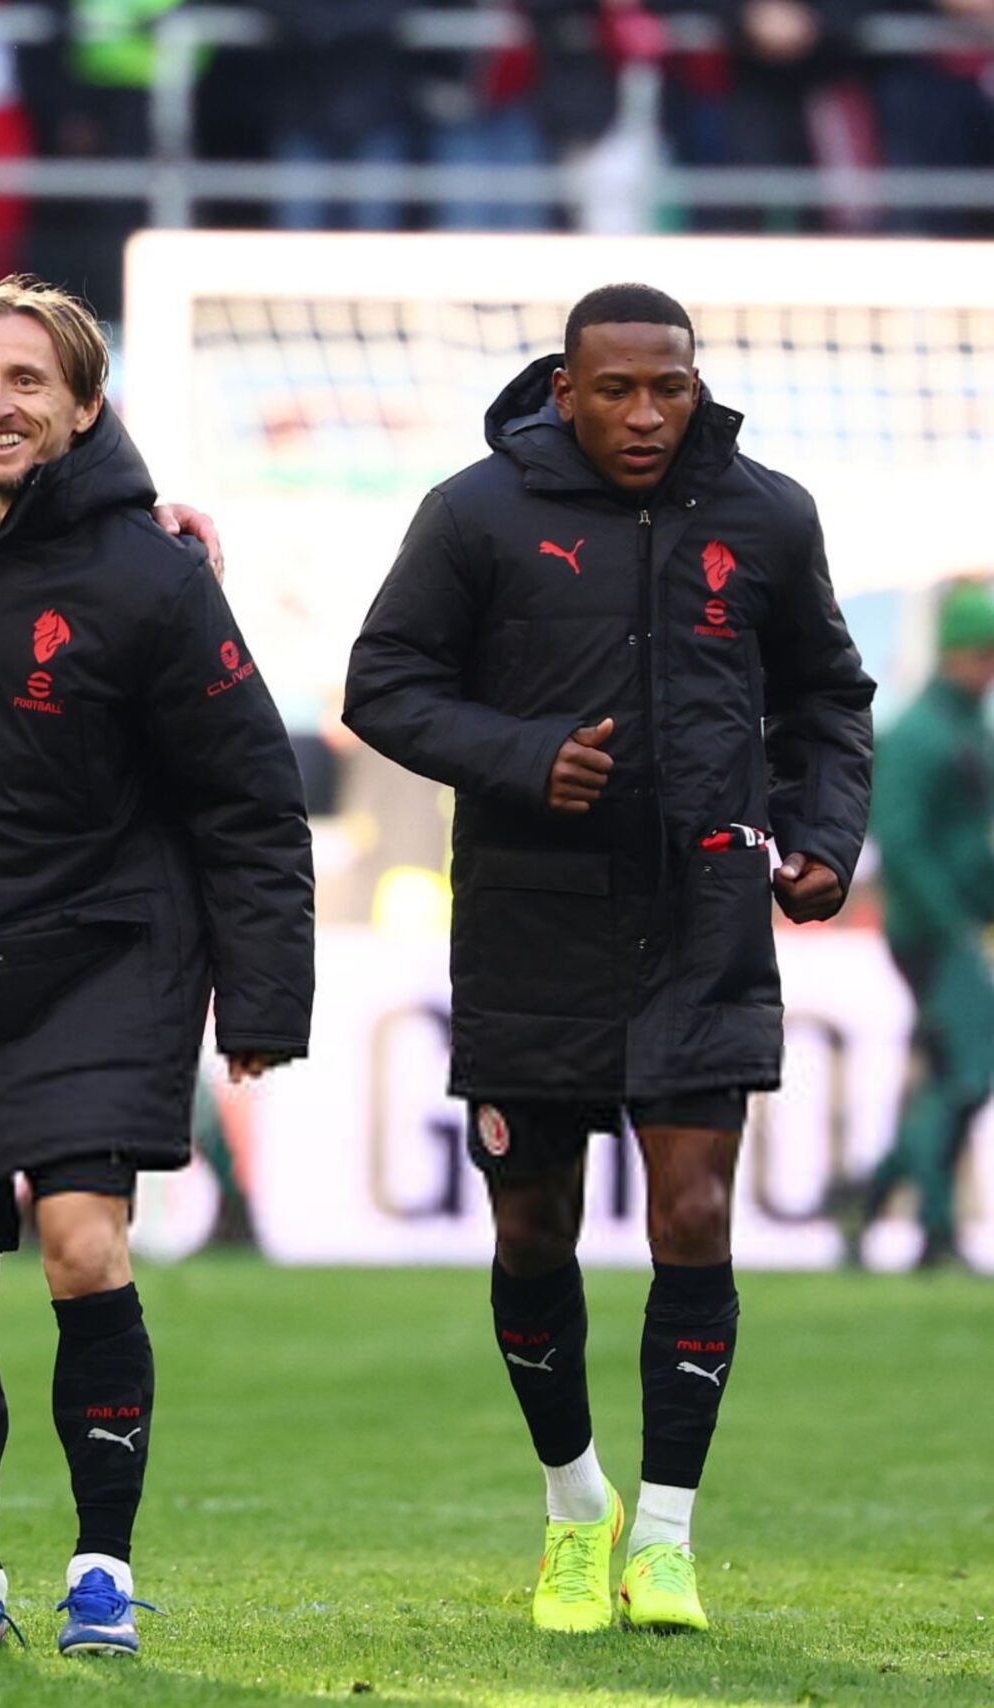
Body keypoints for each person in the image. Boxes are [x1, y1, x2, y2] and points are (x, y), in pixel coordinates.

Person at [345, 283, 874, 1636]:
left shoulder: (766, 516)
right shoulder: (475, 514)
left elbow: (827, 697)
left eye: (671, 388)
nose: (647, 415)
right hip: (533, 921)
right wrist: (527, 758)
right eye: (619, 390)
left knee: (694, 1214)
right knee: (534, 1228)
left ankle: (671, 1541)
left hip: (702, 919)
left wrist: (820, 834)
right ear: (564, 390)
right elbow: (384, 685)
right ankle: (579, 1511)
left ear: (698, 386)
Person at [0, 277, 313, 1658]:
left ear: (86, 405)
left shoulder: (152, 574)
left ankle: (102, 1567)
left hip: (100, 958)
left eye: (29, 381)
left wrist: (263, 994)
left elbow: (248, 798)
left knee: (84, 1248)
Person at [847, 581, 994, 1271]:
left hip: (956, 926)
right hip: (933, 933)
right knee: (967, 1071)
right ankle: (931, 1225)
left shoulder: (966, 726)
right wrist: (956, 923)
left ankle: (872, 1202)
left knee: (950, 1070)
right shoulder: (915, 735)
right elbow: (900, 846)